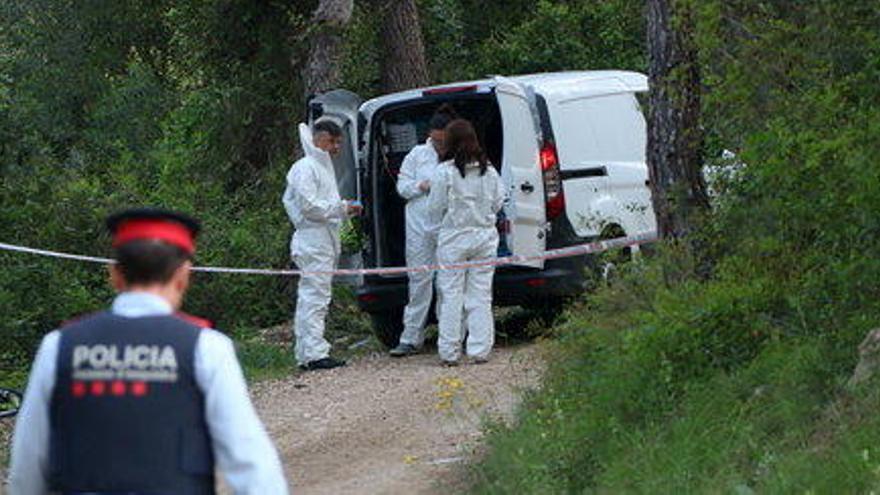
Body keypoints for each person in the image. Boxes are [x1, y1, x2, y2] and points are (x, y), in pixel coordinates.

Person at [7, 208, 288, 495]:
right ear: (183, 275)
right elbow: (251, 464)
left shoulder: (58, 345)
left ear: (115, 275)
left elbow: (28, 464)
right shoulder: (207, 348)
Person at [282, 120, 361, 371]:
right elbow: (310, 207)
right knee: (315, 297)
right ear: (319, 139)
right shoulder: (305, 168)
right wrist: (341, 208)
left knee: (314, 296)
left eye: (339, 142)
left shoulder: (321, 168)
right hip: (313, 240)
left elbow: (322, 206)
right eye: (333, 141)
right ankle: (314, 353)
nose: (336, 147)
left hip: (322, 239)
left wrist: (345, 210)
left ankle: (307, 352)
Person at [428, 119, 506, 365]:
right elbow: (499, 203)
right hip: (484, 237)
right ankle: (479, 350)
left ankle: (449, 352)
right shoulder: (490, 171)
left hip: (454, 238)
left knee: (451, 295)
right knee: (481, 294)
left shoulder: (444, 172)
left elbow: (434, 208)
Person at [390, 104, 457, 357]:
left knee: (448, 282)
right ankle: (410, 337)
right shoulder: (417, 155)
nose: (440, 145)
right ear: (430, 135)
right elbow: (402, 187)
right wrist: (423, 185)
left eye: (444, 141)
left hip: (448, 226)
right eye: (436, 140)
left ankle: (449, 336)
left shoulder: (458, 157)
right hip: (419, 227)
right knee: (419, 280)